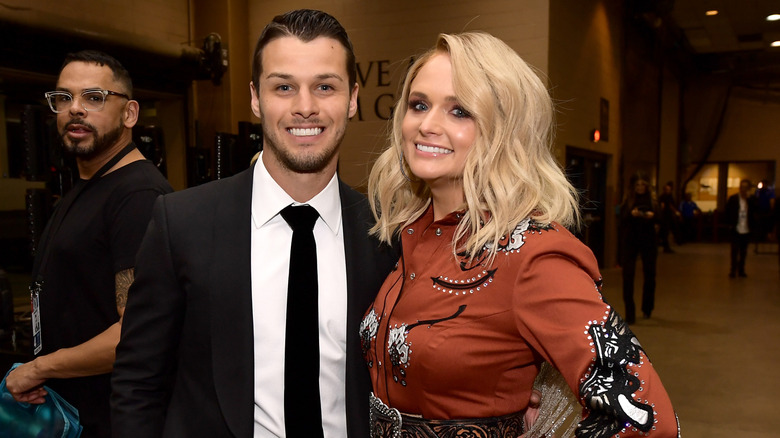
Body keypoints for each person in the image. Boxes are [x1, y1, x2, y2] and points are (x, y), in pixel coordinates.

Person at [362, 32, 678, 437]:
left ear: (503, 129)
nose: (427, 125)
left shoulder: (534, 254)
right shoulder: (408, 236)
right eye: (418, 105)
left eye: (459, 111)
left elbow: (648, 417)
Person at [110, 10, 398, 438]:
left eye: (325, 86)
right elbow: (137, 382)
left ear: (352, 98)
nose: (305, 107)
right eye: (284, 87)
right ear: (255, 98)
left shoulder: (385, 234)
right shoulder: (181, 223)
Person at [4, 50, 173, 437]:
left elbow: (136, 333)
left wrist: (39, 368)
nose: (74, 109)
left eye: (94, 97)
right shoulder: (87, 185)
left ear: (129, 114)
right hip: (69, 411)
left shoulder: (138, 196)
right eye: (63, 98)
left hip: (111, 420)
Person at [619, 173, 659, 323]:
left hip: (649, 241)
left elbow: (661, 218)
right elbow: (621, 219)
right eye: (637, 185)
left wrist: (651, 216)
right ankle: (630, 312)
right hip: (631, 241)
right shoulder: (628, 201)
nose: (640, 188)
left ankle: (647, 307)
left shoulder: (653, 201)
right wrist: (631, 214)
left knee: (650, 275)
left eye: (643, 185)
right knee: (628, 276)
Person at [725, 179, 756, 277]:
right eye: (742, 187)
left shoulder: (751, 200)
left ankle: (741, 270)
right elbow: (727, 212)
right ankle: (733, 270)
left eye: (746, 188)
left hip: (746, 229)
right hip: (736, 228)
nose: (743, 190)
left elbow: (756, 211)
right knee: (734, 250)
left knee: (743, 251)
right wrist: (729, 224)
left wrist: (750, 199)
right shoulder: (733, 199)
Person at [657, 182, 679, 253]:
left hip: (668, 216)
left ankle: (664, 245)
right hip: (665, 216)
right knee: (665, 232)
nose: (668, 191)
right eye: (667, 190)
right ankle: (666, 247)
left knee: (664, 232)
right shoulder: (664, 197)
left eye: (669, 189)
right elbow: (665, 206)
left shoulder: (669, 196)